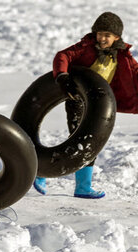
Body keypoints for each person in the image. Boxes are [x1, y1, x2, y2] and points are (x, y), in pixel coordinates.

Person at [33, 12, 138, 199]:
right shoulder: (86, 47)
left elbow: (135, 73)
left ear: (117, 37)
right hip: (77, 100)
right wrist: (63, 76)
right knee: (79, 142)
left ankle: (83, 186)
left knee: (92, 143)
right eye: (99, 34)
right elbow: (63, 56)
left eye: (107, 35)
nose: (102, 38)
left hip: (100, 106)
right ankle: (40, 172)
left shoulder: (122, 56)